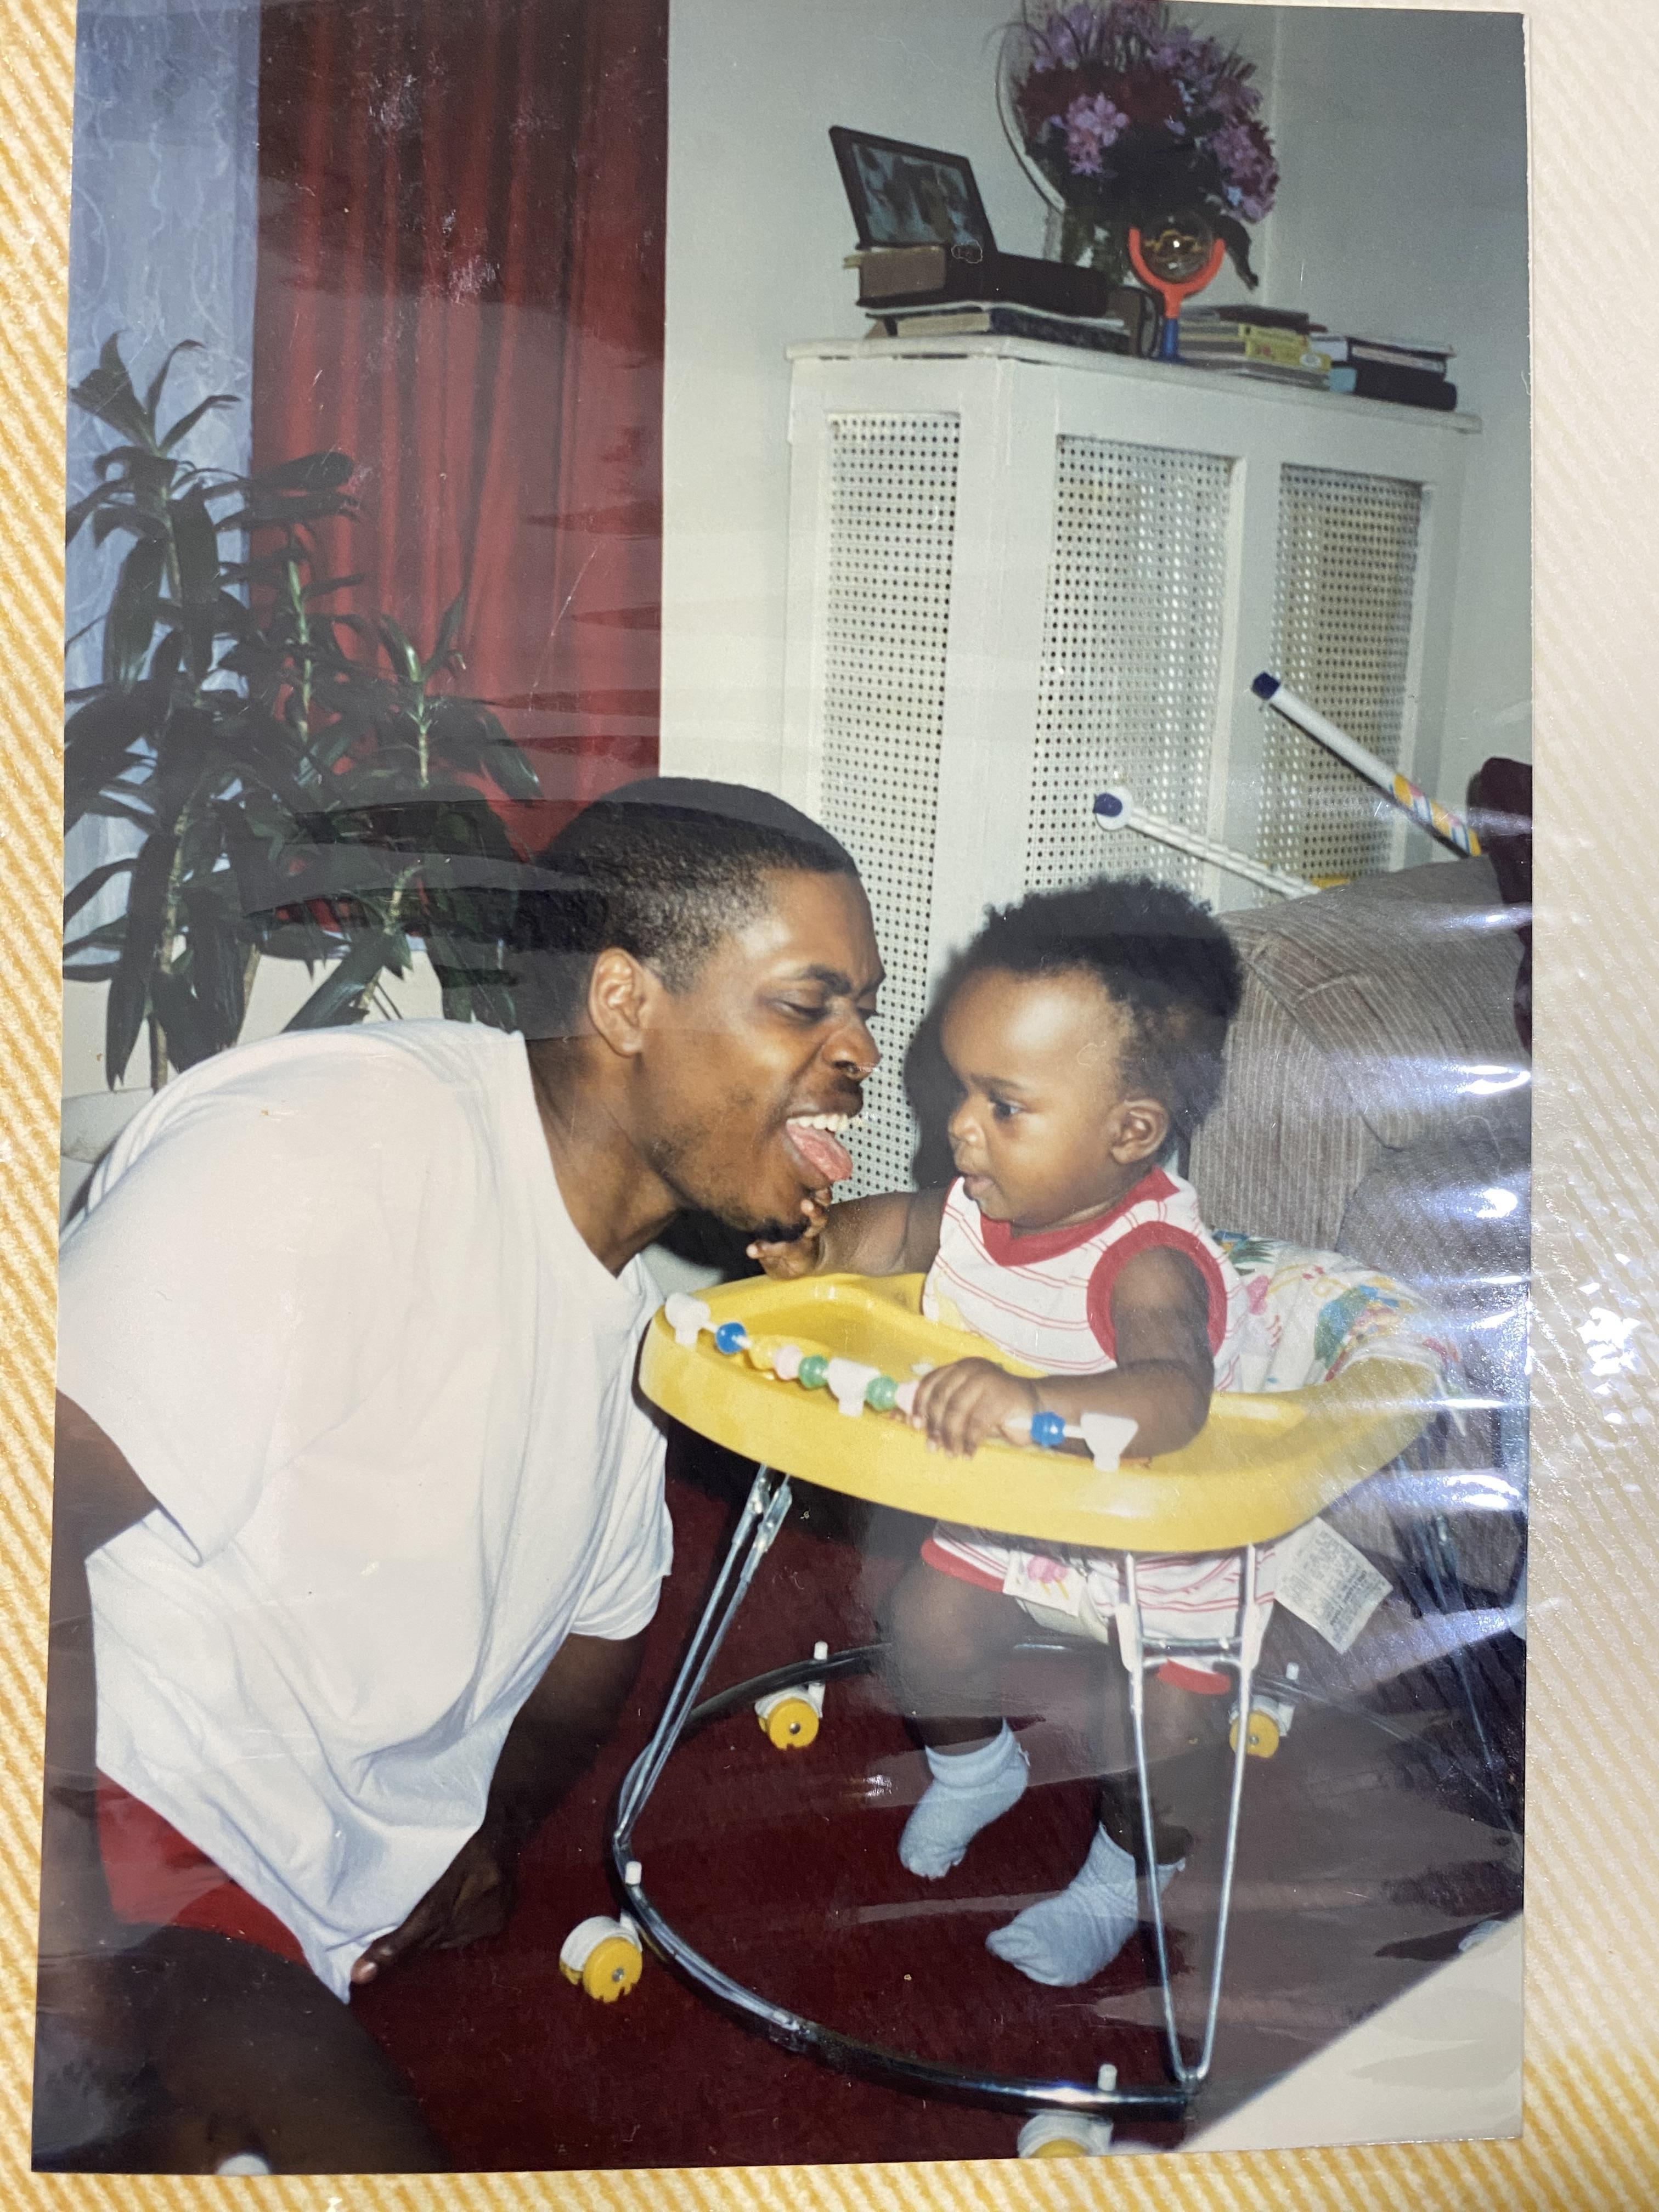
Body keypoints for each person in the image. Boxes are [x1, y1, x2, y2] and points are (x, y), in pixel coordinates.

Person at [40, 778, 882, 2170]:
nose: (859, 1052)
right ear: (625, 1005)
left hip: (268, 1896)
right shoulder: (328, 1152)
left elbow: (594, 1652)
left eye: (862, 1008)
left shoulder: (633, 1332)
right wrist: (71, 1992)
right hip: (115, 1818)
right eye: (810, 1004)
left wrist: (496, 1832)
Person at [752, 876, 1265, 1990]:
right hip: (1017, 1515)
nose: (958, 1127)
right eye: (960, 1089)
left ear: (1132, 1132)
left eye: (1001, 1104)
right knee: (921, 1627)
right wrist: (821, 1245)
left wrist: (1029, 1402)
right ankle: (977, 1765)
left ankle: (1122, 1872)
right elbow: (898, 1229)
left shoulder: (1149, 1260)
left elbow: (1174, 1398)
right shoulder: (985, 1206)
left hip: (1147, 1551)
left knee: (1168, 1729)